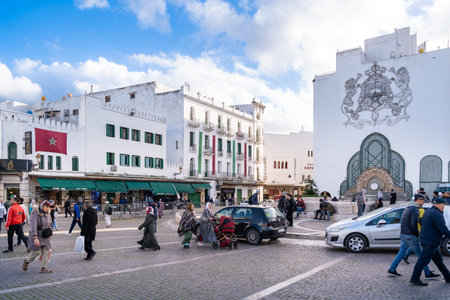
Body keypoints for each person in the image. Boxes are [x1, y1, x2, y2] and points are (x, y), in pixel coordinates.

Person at [388, 194, 439, 278]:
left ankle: (392, 269)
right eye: (422, 201)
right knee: (421, 255)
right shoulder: (415, 209)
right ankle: (427, 273)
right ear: (418, 200)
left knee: (401, 253)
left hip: (403, 234)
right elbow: (413, 224)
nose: (423, 203)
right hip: (410, 236)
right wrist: (416, 235)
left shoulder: (407, 208)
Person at [410, 197, 450, 286]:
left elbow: (421, 221)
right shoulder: (437, 214)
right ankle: (414, 278)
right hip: (431, 242)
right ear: (439, 204)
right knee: (423, 261)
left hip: (429, 241)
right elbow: (443, 228)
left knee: (438, 260)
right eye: (443, 205)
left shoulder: (428, 211)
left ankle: (448, 277)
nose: (444, 207)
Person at [22, 200, 53, 273]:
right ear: (42, 205)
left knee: (47, 251)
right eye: (46, 206)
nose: (48, 208)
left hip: (46, 235)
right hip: (38, 235)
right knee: (37, 252)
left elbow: (50, 223)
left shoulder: (48, 212)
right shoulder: (35, 212)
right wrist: (35, 237)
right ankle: (26, 261)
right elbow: (33, 226)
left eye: (49, 207)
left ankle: (44, 268)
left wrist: (50, 232)